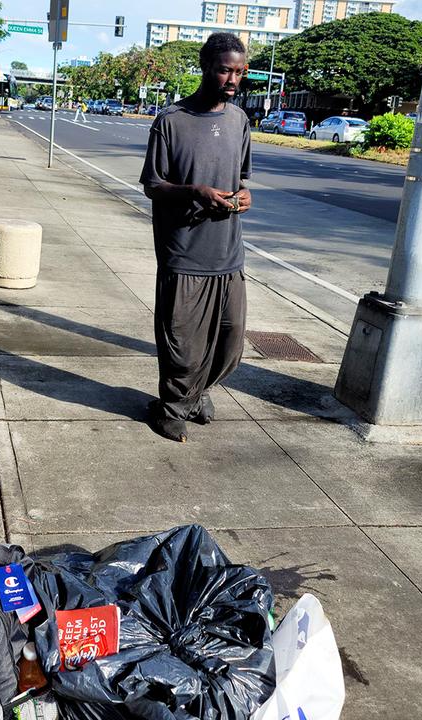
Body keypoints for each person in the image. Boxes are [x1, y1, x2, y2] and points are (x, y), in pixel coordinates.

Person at [138, 33, 252, 443]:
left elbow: (240, 179)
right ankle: (170, 409)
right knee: (182, 346)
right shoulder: (171, 120)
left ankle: (198, 392)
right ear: (206, 67)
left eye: (239, 71)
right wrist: (195, 192)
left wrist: (243, 196)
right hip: (184, 252)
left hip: (228, 253)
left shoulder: (239, 121)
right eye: (224, 70)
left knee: (230, 343)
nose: (232, 79)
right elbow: (153, 185)